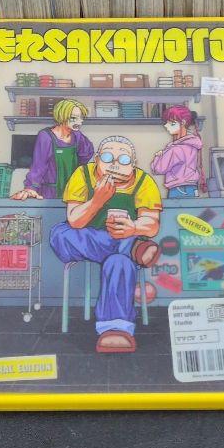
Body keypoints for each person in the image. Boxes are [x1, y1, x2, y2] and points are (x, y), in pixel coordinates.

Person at [49, 136, 162, 353]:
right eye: (108, 157)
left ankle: (116, 329)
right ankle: (133, 248)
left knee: (119, 262)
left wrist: (133, 228)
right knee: (60, 234)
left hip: (124, 236)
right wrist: (97, 200)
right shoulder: (83, 175)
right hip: (83, 238)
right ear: (98, 158)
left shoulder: (143, 181)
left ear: (134, 163)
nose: (115, 164)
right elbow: (75, 220)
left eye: (124, 159)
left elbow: (152, 224)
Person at [11, 99, 94, 201]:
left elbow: (87, 155)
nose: (79, 122)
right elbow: (39, 166)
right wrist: (31, 188)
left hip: (72, 191)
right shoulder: (46, 136)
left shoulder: (77, 136)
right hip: (50, 193)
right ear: (62, 116)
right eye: (74, 118)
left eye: (81, 118)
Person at [150, 105, 204, 197]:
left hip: (178, 189)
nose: (166, 126)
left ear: (183, 122)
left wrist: (158, 156)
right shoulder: (192, 145)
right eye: (166, 123)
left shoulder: (176, 149)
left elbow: (158, 169)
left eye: (171, 123)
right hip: (192, 188)